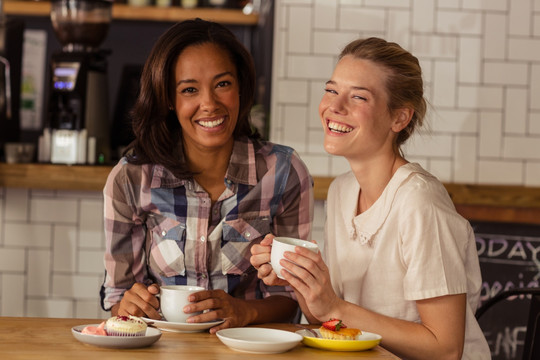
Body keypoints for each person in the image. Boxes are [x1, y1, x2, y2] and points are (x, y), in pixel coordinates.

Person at [251, 37, 490, 359]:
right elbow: (332, 322)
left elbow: (445, 348)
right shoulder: (341, 191)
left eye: (359, 97)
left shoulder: (419, 202)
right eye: (332, 90)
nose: (334, 107)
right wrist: (298, 281)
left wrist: (335, 305)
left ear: (399, 118)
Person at [100, 18, 314, 334]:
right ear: (169, 100)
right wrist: (128, 306)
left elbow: (294, 298)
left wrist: (244, 312)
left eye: (223, 84)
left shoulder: (283, 172)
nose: (209, 104)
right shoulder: (131, 179)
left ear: (241, 86)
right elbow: (118, 298)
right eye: (189, 89)